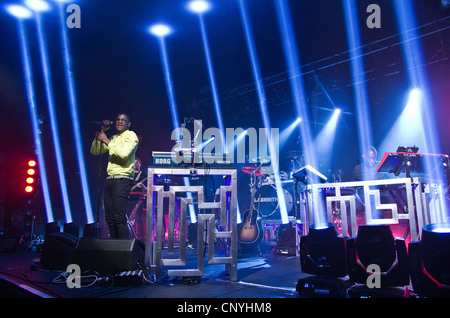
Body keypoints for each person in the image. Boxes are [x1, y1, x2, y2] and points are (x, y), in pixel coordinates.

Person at [90, 113, 139, 239]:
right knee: (110, 217)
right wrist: (100, 135)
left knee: (119, 216)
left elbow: (124, 154)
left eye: (123, 120)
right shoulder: (113, 138)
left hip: (122, 179)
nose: (120, 121)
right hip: (110, 179)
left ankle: (123, 249)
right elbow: (95, 151)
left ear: (129, 124)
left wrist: (106, 140)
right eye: (117, 119)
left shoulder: (131, 135)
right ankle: (114, 247)